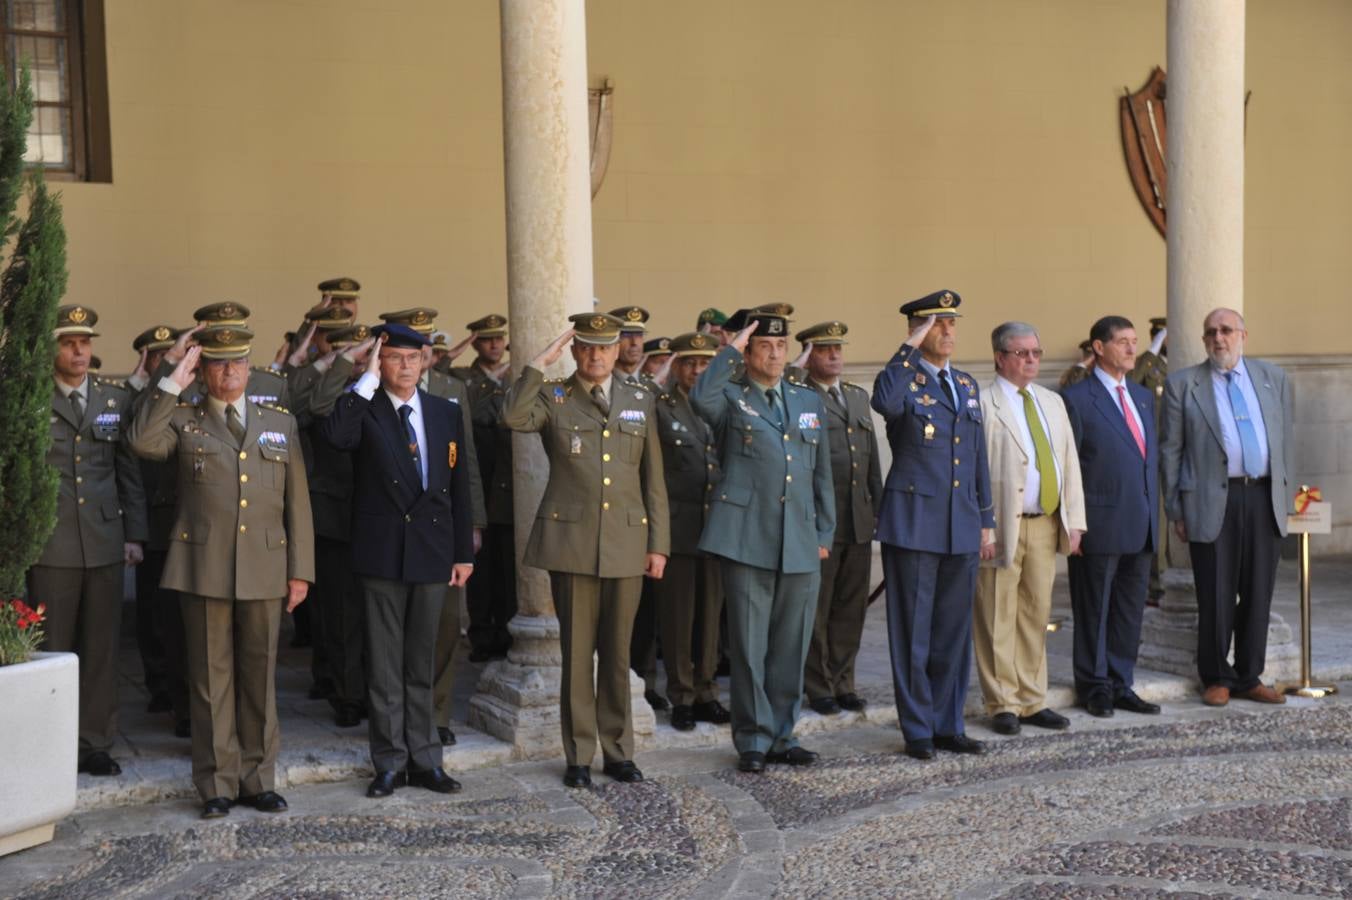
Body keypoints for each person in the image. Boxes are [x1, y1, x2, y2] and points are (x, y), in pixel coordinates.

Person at [128, 325, 314, 819]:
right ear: (203, 370)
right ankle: (216, 783)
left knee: (259, 675)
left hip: (266, 564)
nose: (228, 371)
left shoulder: (279, 423)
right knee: (210, 680)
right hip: (203, 566)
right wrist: (171, 379)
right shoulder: (183, 419)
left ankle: (258, 778)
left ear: (249, 368)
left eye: (236, 362)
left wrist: (301, 572)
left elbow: (299, 504)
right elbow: (143, 441)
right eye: (216, 362)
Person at [502, 312, 670, 788]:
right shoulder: (554, 397)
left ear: (618, 350)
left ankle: (618, 751)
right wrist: (537, 364)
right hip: (573, 544)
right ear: (575, 352)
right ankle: (578, 753)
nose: (596, 355)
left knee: (618, 655)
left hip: (627, 542)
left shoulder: (640, 399)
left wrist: (658, 545)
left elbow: (652, 480)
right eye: (587, 347)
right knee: (576, 656)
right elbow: (513, 417)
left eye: (605, 347)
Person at [319, 324, 474, 798]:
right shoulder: (364, 408)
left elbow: (460, 484)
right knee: (385, 664)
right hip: (382, 549)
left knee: (420, 662)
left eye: (413, 357)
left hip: (431, 550)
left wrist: (463, 552)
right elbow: (335, 437)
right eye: (393, 358)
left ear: (426, 361)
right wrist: (363, 378)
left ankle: (426, 759)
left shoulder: (445, 412)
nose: (405, 366)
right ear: (380, 362)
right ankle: (388, 761)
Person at [691, 308, 834, 774]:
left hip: (800, 537)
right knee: (750, 646)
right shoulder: (730, 397)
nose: (775, 354)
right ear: (749, 353)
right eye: (765, 346)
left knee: (791, 644)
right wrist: (729, 348)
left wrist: (824, 532)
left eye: (780, 346)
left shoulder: (806, 399)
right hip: (747, 537)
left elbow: (821, 474)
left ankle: (783, 734)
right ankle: (752, 737)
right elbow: (700, 398)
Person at [871, 290, 994, 760]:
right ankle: (918, 729)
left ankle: (949, 723)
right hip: (915, 523)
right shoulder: (903, 381)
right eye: (936, 324)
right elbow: (884, 402)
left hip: (960, 522)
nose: (947, 332)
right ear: (917, 330)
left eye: (951, 323)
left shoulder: (964, 383)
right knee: (913, 633)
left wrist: (986, 518)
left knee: (952, 633)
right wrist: (908, 348)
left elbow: (977, 454)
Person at [30, 305, 148, 777]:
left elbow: (128, 472)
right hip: (51, 539)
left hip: (103, 538)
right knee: (51, 646)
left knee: (101, 647)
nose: (80, 350)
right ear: (53, 348)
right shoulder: (32, 398)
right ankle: (49, 742)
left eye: (86, 342)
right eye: (69, 342)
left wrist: (135, 534)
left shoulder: (112, 399)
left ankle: (95, 742)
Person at [1160, 308, 1293, 707]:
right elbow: (1171, 451)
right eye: (1211, 333)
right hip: (1210, 499)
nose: (1219, 338)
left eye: (1226, 331)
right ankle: (1216, 675)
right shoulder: (1184, 384)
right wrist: (1175, 510)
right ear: (1204, 340)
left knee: (1258, 591)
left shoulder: (1274, 379)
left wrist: (1287, 498)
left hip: (1264, 497)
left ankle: (1250, 675)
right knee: (1215, 592)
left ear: (1243, 335)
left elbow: (1285, 442)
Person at [380, 306, 487, 746]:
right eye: (404, 349)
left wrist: (472, 525)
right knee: (392, 641)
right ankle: (395, 725)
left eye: (422, 348)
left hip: (440, 532)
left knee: (444, 628)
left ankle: (436, 714)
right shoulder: (368, 394)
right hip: (391, 536)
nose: (415, 357)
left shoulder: (449, 393)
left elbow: (467, 465)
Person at [973, 322, 1086, 735]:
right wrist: (983, 529)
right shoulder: (983, 404)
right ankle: (1001, 700)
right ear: (1000, 357)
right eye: (1021, 353)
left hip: (1044, 522)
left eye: (1035, 352)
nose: (1031, 360)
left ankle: (1032, 698)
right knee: (995, 612)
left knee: (1035, 613)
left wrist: (1075, 521)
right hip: (1002, 523)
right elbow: (974, 472)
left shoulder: (1051, 402)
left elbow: (1068, 462)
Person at [1061, 315, 1160, 719]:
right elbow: (1070, 466)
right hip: (1098, 523)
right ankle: (1094, 684)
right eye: (1122, 342)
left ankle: (1122, 682)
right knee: (1094, 608)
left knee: (1129, 609)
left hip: (1140, 519)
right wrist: (1074, 523)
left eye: (1134, 341)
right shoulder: (1078, 399)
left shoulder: (1140, 396)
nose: (1131, 349)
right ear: (1099, 348)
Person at [790, 321, 881, 717]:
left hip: (858, 517)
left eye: (837, 349)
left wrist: (879, 509)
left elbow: (872, 460)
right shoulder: (798, 396)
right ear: (809, 355)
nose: (834, 356)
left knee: (850, 606)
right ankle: (818, 685)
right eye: (824, 349)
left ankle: (844, 680)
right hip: (820, 521)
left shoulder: (858, 398)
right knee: (817, 608)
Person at [653, 331, 731, 730]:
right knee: (679, 618)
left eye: (705, 363)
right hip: (679, 529)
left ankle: (707, 691)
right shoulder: (661, 407)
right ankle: (681, 695)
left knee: (712, 618)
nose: (698, 370)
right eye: (689, 362)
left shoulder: (724, 406)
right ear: (676, 366)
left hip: (717, 527)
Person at [127, 324, 182, 724]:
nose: (164, 361)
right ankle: (159, 684)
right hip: (152, 520)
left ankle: (179, 694)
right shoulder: (134, 397)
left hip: (182, 518)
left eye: (170, 354)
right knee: (153, 614)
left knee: (179, 617)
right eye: (157, 355)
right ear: (145, 359)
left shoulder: (183, 392)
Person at [455, 314, 517, 663]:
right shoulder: (465, 379)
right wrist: (495, 383)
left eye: (499, 339)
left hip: (507, 487)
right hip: (480, 478)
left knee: (507, 570)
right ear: (476, 343)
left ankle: (508, 633)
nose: (494, 344)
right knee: (481, 572)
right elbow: (473, 411)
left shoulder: (513, 380)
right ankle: (482, 635)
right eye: (487, 339)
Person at [609, 305, 651, 388]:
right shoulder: (604, 386)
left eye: (639, 335)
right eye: (626, 335)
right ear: (613, 341)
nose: (634, 342)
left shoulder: (654, 390)